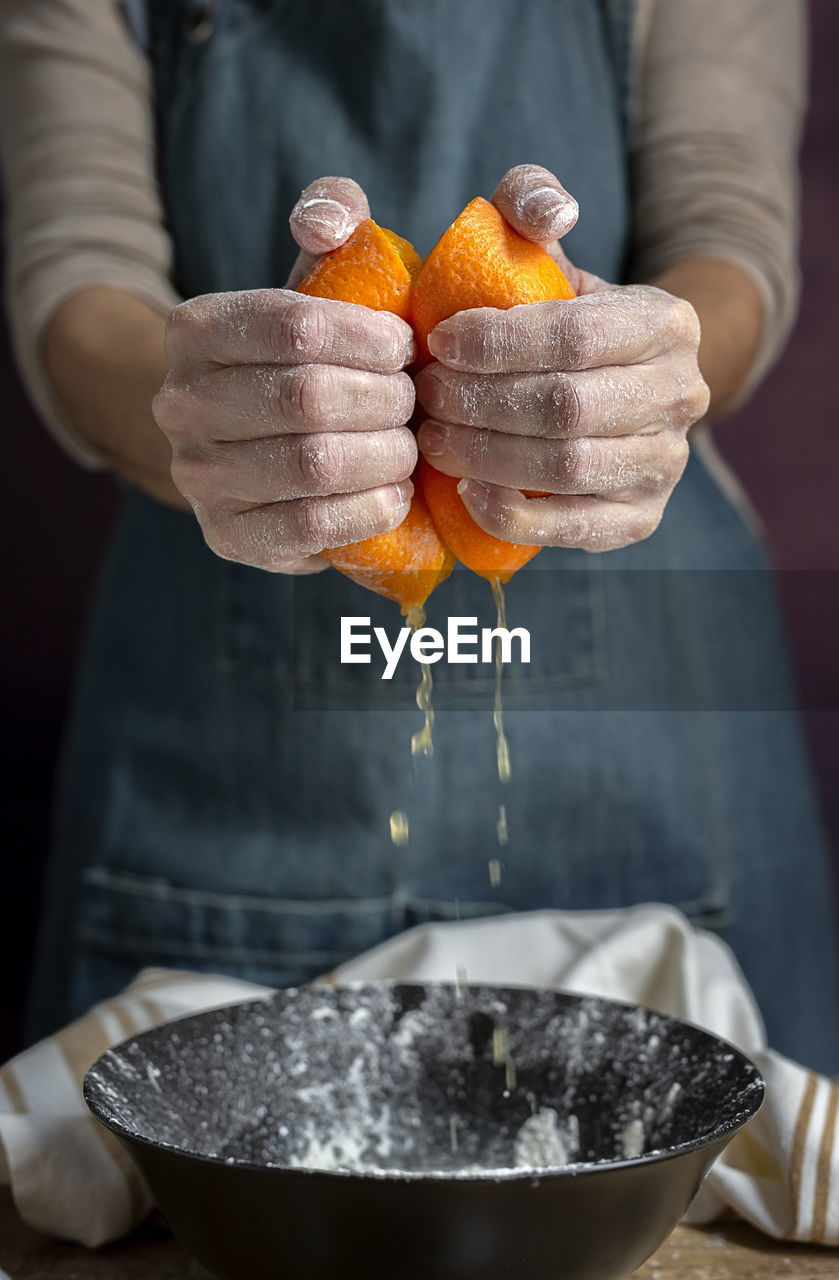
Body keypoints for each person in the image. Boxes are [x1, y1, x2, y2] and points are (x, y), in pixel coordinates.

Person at [2, 0, 837, 1073]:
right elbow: (77, 262)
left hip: (646, 754)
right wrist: (198, 407)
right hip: (223, 774)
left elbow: (725, 222)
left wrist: (640, 364)